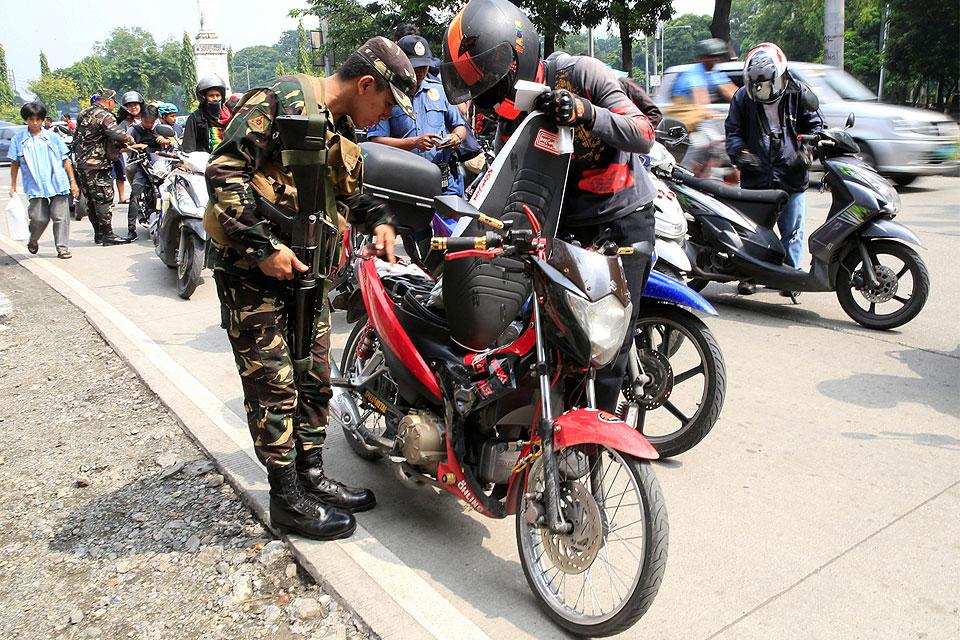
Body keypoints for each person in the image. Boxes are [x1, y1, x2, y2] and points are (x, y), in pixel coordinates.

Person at [203, 37, 417, 540]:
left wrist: (381, 220)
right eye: (385, 104)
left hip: (309, 277)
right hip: (253, 278)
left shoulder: (341, 130)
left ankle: (312, 476)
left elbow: (354, 197)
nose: (382, 118)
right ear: (366, 84)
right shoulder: (278, 101)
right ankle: (286, 498)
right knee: (274, 385)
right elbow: (224, 172)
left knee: (315, 378)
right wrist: (263, 249)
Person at [440, 0, 657, 413]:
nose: (488, 89)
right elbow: (505, 182)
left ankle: (596, 446)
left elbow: (643, 132)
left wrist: (584, 112)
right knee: (557, 341)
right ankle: (558, 437)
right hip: (564, 228)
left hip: (622, 219)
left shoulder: (580, 73)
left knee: (605, 344)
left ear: (516, 56)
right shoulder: (512, 113)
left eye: (489, 76)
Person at [725, 42, 823, 294]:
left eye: (771, 84)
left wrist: (807, 152)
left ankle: (789, 278)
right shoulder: (741, 98)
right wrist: (741, 154)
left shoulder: (799, 93)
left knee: (792, 231)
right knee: (753, 232)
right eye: (759, 86)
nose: (766, 92)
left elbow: (816, 128)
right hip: (756, 177)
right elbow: (733, 133)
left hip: (792, 174)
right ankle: (749, 275)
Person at [367, 35, 469, 197]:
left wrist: (456, 137)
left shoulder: (439, 91)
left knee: (453, 220)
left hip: (443, 180)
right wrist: (414, 142)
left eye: (425, 66)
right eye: (415, 66)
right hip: (405, 179)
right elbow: (376, 141)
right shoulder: (387, 96)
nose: (421, 71)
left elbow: (460, 126)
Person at [7, 102, 79, 259]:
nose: (34, 123)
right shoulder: (18, 140)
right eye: (31, 119)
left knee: (61, 218)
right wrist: (13, 186)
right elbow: (15, 163)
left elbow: (66, 160)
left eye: (38, 119)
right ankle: (33, 239)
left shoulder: (53, 138)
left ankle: (62, 248)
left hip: (58, 183)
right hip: (35, 185)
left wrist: (73, 182)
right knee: (39, 218)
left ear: (42, 120)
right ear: (26, 120)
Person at [73, 88, 142, 245]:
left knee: (91, 200)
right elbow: (117, 134)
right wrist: (130, 139)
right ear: (109, 101)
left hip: (82, 164)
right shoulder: (104, 115)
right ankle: (108, 236)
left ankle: (99, 234)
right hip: (97, 165)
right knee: (104, 199)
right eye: (113, 103)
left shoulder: (83, 113)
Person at [668, 38, 737, 177]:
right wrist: (713, 113)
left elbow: (733, 93)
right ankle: (682, 177)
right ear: (702, 58)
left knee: (717, 145)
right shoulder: (694, 74)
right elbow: (702, 103)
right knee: (701, 145)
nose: (716, 60)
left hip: (699, 122)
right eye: (712, 56)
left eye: (718, 56)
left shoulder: (713, 73)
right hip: (686, 124)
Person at [125, 104, 177, 238]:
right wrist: (137, 145)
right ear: (141, 118)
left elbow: (175, 142)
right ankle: (131, 229)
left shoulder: (161, 128)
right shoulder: (134, 130)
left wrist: (166, 140)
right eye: (146, 121)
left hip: (161, 166)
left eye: (151, 122)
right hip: (142, 165)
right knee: (135, 192)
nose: (149, 124)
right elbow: (123, 147)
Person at [182, 76, 230, 153]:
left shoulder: (230, 116)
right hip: (205, 162)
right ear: (203, 98)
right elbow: (188, 147)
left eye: (218, 95)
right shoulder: (195, 118)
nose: (215, 98)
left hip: (228, 160)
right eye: (211, 96)